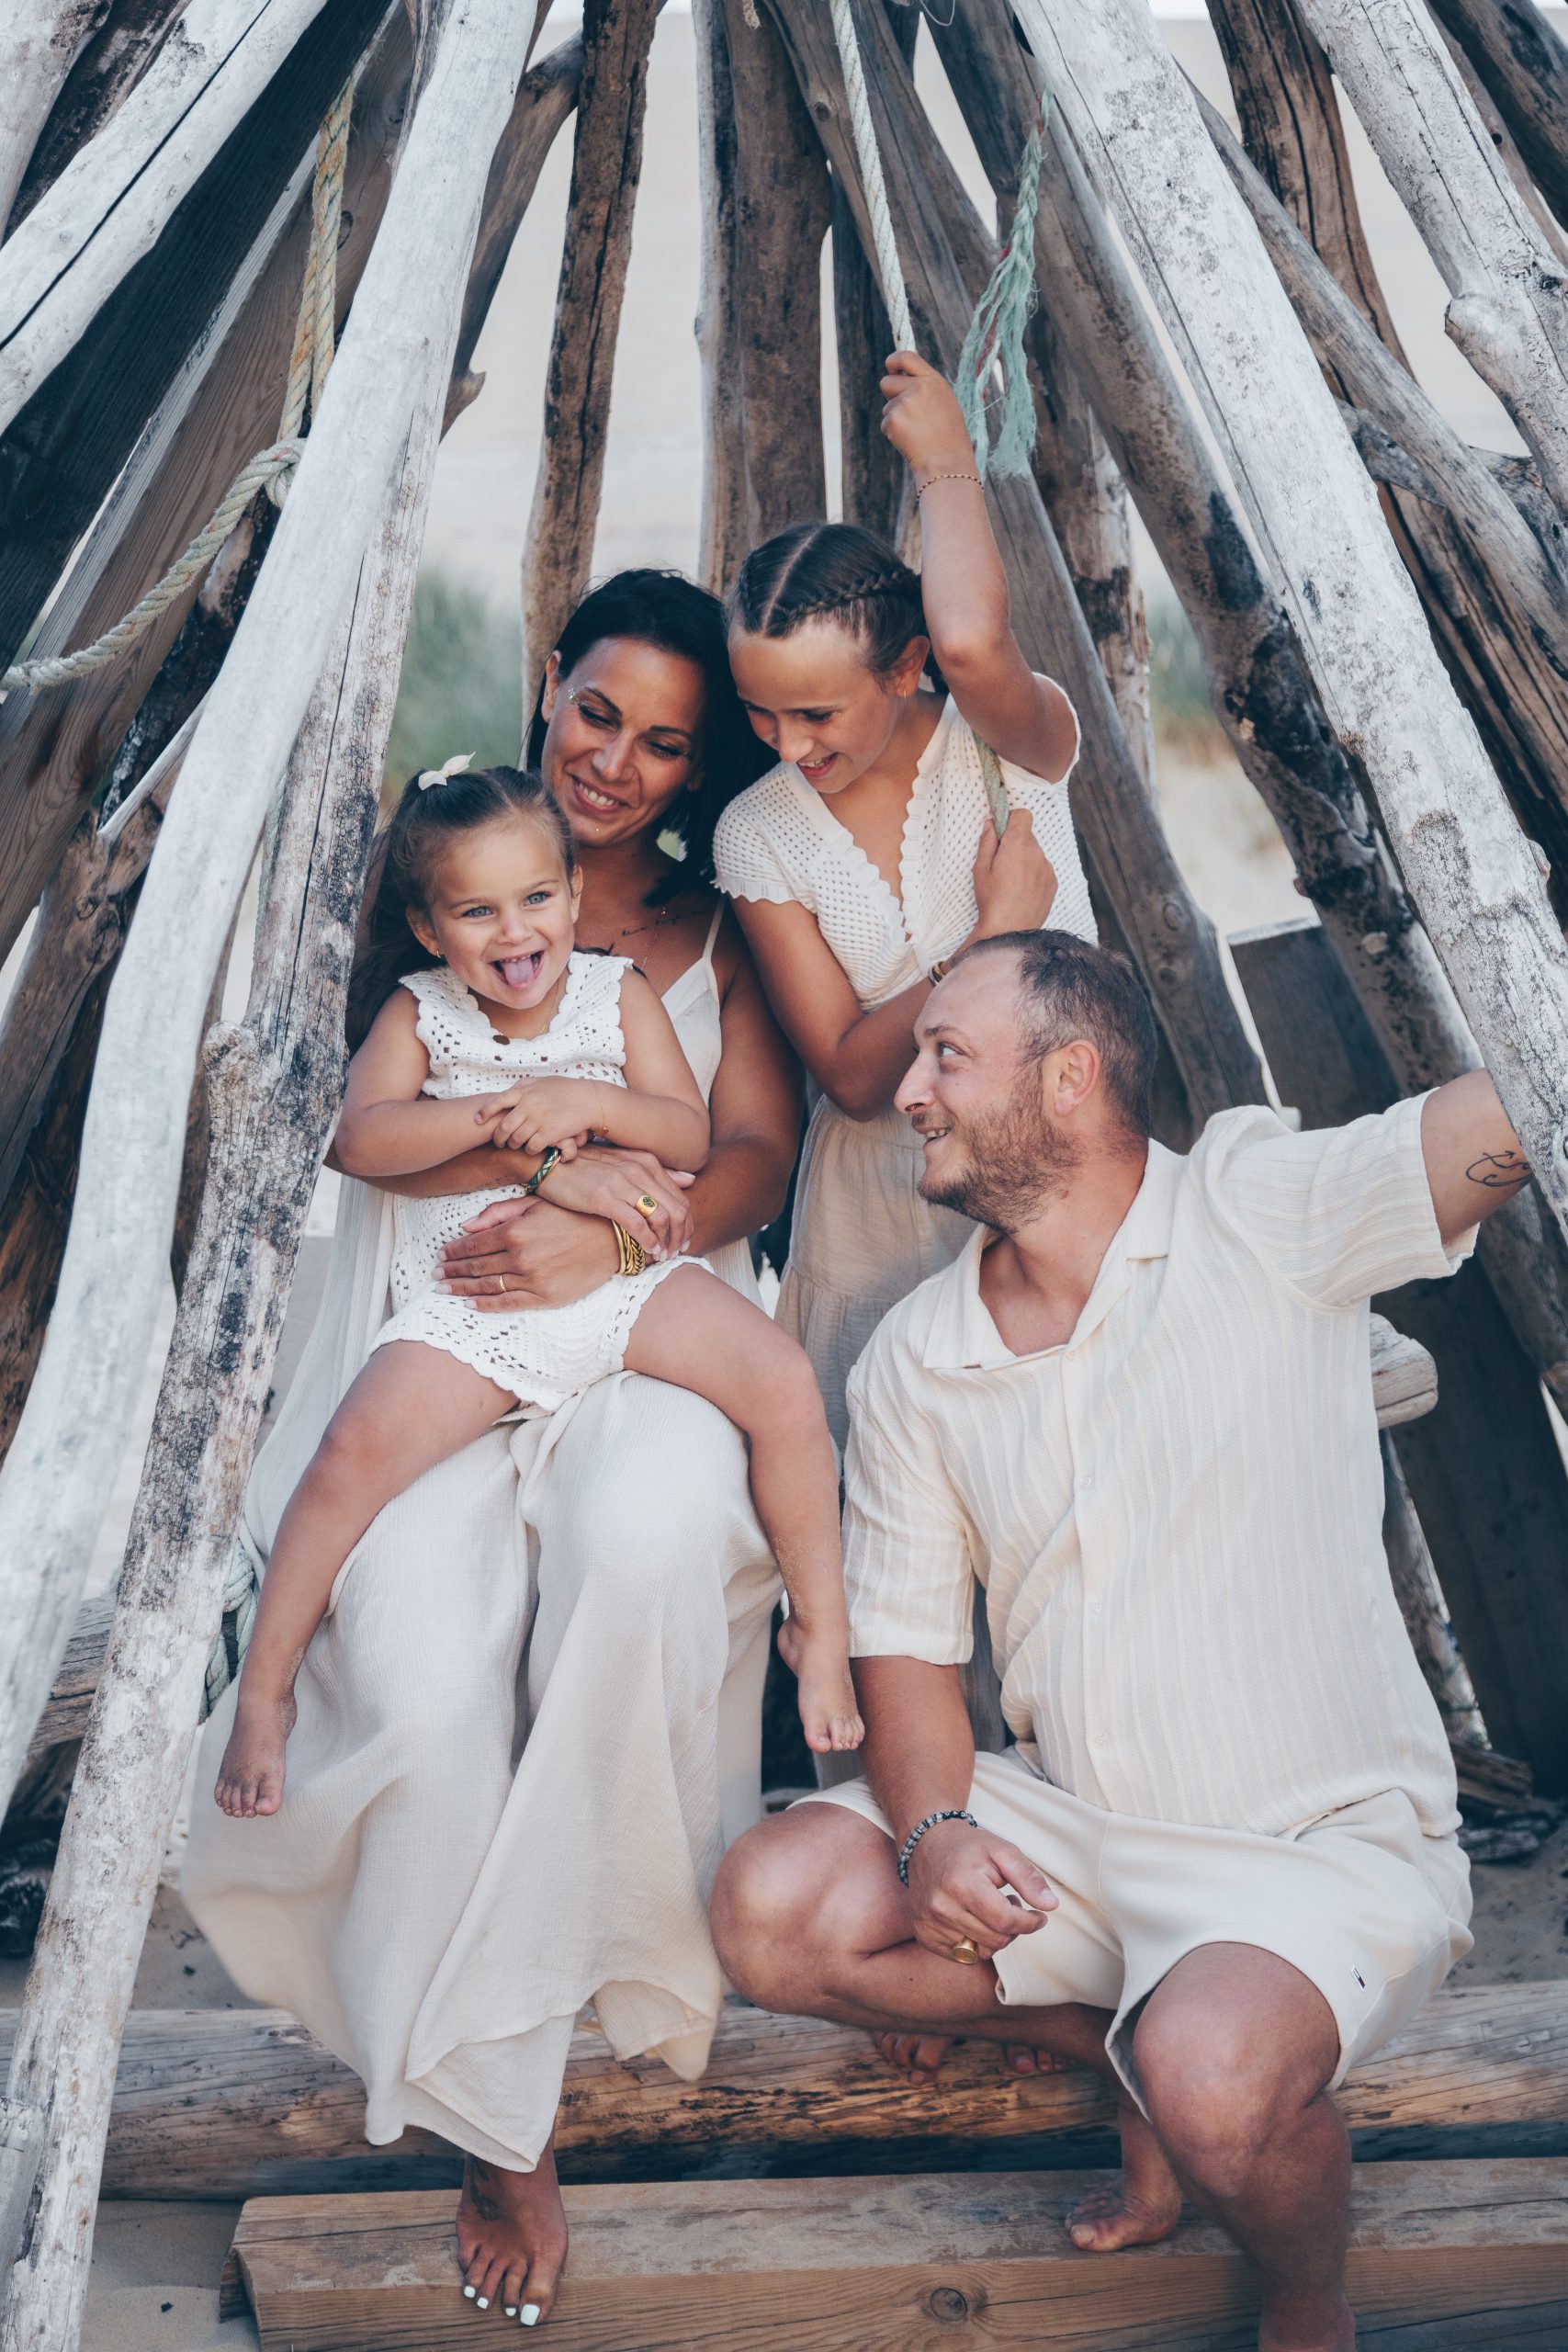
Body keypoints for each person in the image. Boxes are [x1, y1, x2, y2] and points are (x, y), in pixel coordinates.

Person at [712, 929, 1519, 2352]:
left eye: (945, 1055)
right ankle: (1109, 2047)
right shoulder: (916, 1352)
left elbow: (1501, 1117)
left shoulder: (1261, 1211)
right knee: (768, 1906)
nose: (908, 1089)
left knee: (1212, 2075)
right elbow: (904, 1653)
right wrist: (935, 1838)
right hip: (1070, 1840)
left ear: (1070, 1078)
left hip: (1315, 1853)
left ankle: (1302, 2296)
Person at [184, 571, 803, 2328]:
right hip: (448, 1314)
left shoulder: (710, 934)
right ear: (551, 685)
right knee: (431, 1671)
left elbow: (740, 1158)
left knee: (638, 1556)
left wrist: (619, 1240)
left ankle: (576, 2001)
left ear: (697, 768)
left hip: (641, 1322)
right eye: (597, 711)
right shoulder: (437, 903)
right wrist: (537, 1179)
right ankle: (490, 2092)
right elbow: (357, 1137)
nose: (615, 761)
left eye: (663, 743)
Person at [213, 763, 857, 1822]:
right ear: (429, 929)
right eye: (477, 911)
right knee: (345, 1462)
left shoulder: (618, 993)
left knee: (781, 1382)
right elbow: (359, 1137)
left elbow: (691, 1134)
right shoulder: (421, 1012)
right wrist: (505, 1118)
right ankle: (264, 1692)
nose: (515, 933)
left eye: (536, 898)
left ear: (569, 888)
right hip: (479, 1301)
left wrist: (584, 1097)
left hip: (627, 1277)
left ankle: (819, 1632)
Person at [714, 350, 1093, 1447]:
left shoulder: (1012, 746)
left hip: (1056, 1181)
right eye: (759, 713)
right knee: (891, 1518)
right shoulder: (761, 832)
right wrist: (992, 937)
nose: (788, 746)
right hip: (881, 1216)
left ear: (904, 667)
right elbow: (850, 1074)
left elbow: (978, 642)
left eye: (817, 714)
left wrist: (946, 467)